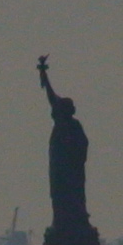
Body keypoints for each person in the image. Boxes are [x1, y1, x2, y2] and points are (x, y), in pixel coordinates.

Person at [38, 56, 89, 229]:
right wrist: (43, 73)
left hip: (71, 171)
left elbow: (83, 148)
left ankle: (75, 218)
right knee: (59, 196)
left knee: (72, 196)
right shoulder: (63, 125)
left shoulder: (73, 126)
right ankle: (61, 220)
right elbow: (51, 95)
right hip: (59, 170)